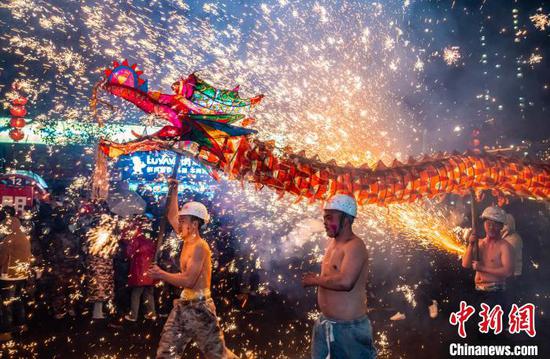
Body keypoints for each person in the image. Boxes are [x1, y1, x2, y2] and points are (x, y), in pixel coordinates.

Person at [149, 178, 237, 359]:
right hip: (183, 306)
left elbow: (189, 280)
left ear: (195, 224)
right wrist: (174, 189)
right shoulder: (186, 237)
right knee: (167, 352)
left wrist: (161, 274)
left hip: (200, 307)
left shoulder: (200, 247)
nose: (178, 224)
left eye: (183, 221)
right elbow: (171, 215)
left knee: (217, 355)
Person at [301, 194, 376, 359]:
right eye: (324, 217)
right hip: (325, 325)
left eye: (329, 217)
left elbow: (345, 282)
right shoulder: (333, 243)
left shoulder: (355, 246)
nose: (325, 222)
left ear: (346, 220)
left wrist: (315, 280)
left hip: (350, 330)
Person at [461, 206, 514, 309]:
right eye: (488, 224)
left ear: (501, 226)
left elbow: (508, 272)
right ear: (484, 224)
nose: (491, 227)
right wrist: (471, 245)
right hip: (477, 292)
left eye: (495, 225)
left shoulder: (505, 246)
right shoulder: (478, 243)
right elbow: (465, 264)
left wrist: (482, 268)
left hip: (496, 294)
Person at [0, 206, 33, 341]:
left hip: (9, 276)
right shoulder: (23, 236)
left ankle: (5, 331)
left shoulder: (8, 239)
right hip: (21, 275)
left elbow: (2, 257)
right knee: (18, 300)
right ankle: (21, 324)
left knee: (6, 304)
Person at [124, 215, 157, 322]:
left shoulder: (137, 239)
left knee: (136, 293)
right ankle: (151, 314)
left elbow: (129, 254)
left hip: (139, 271)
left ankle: (133, 316)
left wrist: (128, 243)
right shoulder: (151, 238)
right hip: (150, 270)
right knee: (149, 293)